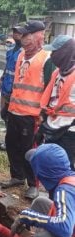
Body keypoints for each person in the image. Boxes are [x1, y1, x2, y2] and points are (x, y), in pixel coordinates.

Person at [11, 143, 75, 237]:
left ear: (44, 174)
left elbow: (64, 228)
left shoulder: (63, 191)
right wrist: (27, 217)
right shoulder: (69, 178)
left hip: (70, 233)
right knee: (39, 202)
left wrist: (32, 217)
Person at [0, 21, 56, 200]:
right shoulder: (21, 55)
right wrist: (7, 105)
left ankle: (33, 184)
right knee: (11, 144)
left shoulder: (46, 59)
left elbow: (50, 88)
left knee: (29, 150)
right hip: (15, 110)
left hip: (32, 116)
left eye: (26, 35)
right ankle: (17, 176)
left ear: (38, 36)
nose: (22, 39)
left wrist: (43, 114)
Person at [36, 35, 75, 170]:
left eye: (55, 52)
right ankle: (55, 191)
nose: (52, 55)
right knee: (51, 165)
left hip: (70, 131)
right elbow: (52, 99)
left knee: (64, 168)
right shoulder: (58, 73)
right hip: (53, 126)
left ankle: (65, 191)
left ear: (66, 52)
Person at [0, 27, 23, 151]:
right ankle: (10, 139)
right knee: (4, 114)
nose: (16, 34)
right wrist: (1, 79)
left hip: (15, 91)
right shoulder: (11, 50)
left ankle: (10, 141)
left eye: (19, 32)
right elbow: (7, 67)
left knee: (11, 118)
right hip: (6, 88)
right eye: (15, 32)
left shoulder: (24, 53)